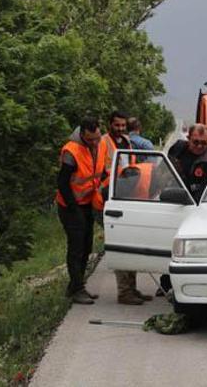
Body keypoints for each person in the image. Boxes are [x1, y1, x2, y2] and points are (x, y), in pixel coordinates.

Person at [159, 124, 207, 296]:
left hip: (197, 208)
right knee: (169, 245)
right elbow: (163, 172)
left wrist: (196, 207)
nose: (200, 147)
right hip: (174, 203)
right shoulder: (177, 149)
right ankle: (165, 283)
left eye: (204, 143)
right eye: (196, 142)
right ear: (188, 139)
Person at [102, 111, 153, 305]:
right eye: (117, 125)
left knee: (131, 244)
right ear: (110, 125)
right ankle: (124, 292)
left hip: (127, 197)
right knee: (122, 245)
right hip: (112, 199)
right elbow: (103, 171)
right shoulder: (104, 143)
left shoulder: (126, 142)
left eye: (123, 125)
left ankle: (131, 288)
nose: (121, 129)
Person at [55, 116, 106, 305]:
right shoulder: (71, 150)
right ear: (82, 134)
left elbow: (101, 172)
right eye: (90, 139)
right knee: (76, 247)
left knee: (86, 246)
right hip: (70, 206)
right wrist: (73, 208)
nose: (94, 142)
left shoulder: (100, 145)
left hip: (88, 204)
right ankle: (77, 289)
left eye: (97, 138)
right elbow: (62, 183)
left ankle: (76, 286)